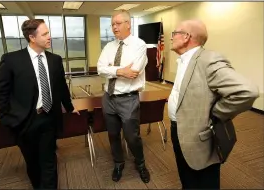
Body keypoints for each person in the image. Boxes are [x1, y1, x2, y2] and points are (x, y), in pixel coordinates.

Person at [168, 19, 259, 189]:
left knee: (204, 183)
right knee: (187, 179)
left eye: (175, 33)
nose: (171, 37)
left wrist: (216, 112)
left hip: (198, 137)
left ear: (187, 37)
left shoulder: (208, 60)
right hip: (179, 130)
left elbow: (247, 91)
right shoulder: (184, 60)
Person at [0, 19, 77, 189]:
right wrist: (8, 118)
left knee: (49, 162)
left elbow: (61, 86)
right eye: (45, 34)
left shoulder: (55, 60)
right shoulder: (11, 60)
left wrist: (70, 108)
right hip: (25, 121)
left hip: (49, 118)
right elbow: (0, 93)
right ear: (32, 37)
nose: (49, 37)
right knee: (32, 163)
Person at [97, 9, 150, 183]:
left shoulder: (139, 45)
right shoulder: (109, 46)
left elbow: (133, 72)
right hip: (108, 98)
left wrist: (111, 70)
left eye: (118, 23)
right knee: (112, 134)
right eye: (112, 24)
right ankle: (118, 163)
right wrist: (119, 71)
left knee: (132, 136)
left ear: (128, 24)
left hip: (128, 99)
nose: (114, 27)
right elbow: (100, 69)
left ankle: (140, 163)